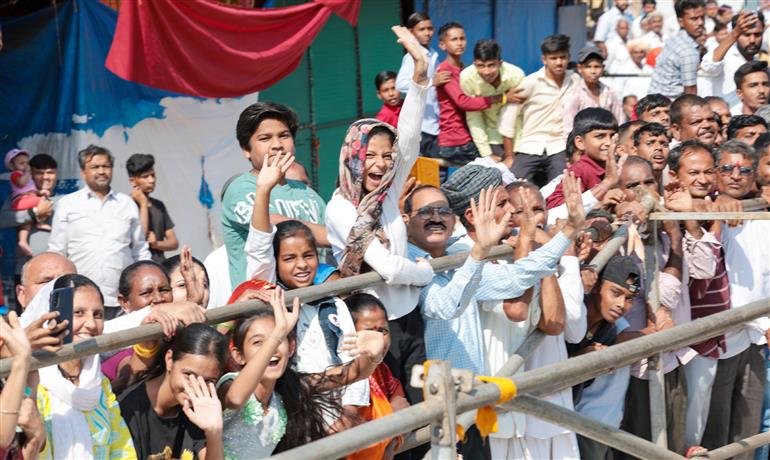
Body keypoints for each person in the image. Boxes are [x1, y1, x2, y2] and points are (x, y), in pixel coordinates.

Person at [244, 150, 373, 414]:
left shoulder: (333, 303)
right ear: (276, 264)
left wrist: (350, 413)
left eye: (308, 255)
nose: (302, 265)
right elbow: (259, 248)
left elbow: (353, 358)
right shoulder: (273, 300)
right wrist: (263, 191)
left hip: (340, 415)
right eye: (289, 258)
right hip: (294, 412)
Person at [325, 25, 434, 320]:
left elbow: (409, 137)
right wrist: (424, 273)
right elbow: (385, 266)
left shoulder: (387, 192)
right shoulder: (340, 207)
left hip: (410, 314)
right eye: (370, 155)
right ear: (353, 158)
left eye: (387, 156)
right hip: (370, 322)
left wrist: (420, 73)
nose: (381, 164)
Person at [217, 286, 385, 458]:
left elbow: (351, 374)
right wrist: (278, 333)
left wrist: (374, 354)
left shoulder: (288, 387)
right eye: (258, 342)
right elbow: (235, 399)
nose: (272, 348)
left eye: (280, 340)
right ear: (238, 356)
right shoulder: (230, 383)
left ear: (291, 348)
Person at [702, 140, 770, 459]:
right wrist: (721, 202)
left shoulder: (761, 213)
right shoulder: (708, 208)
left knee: (748, 429)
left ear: (754, 174)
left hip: (757, 337)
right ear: (715, 172)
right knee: (716, 430)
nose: (735, 176)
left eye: (744, 170)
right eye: (727, 168)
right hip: (721, 338)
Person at [222, 102, 329, 289]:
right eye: (265, 138)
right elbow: (274, 223)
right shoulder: (240, 189)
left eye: (284, 136)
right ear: (246, 149)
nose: (277, 145)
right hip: (263, 306)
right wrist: (346, 237)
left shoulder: (308, 193)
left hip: (312, 304)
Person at [36, 274, 137, 459]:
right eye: (78, 313)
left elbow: (122, 449)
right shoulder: (33, 383)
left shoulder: (100, 385)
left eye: (98, 314)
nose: (91, 324)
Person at [48, 145, 150, 307]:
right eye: (95, 167)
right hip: (80, 299)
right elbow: (57, 252)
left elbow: (140, 251)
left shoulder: (126, 203)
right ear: (83, 172)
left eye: (106, 166)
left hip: (121, 299)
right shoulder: (67, 204)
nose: (102, 171)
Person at [118, 323, 227, 460]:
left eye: (208, 381)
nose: (195, 387)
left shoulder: (201, 406)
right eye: (188, 375)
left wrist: (214, 432)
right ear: (170, 360)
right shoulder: (129, 410)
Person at [568, 255, 639, 460]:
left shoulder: (610, 328)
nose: (621, 304)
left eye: (629, 299)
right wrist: (581, 359)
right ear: (598, 285)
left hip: (574, 421)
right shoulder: (572, 311)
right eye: (615, 293)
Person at [499, 34, 579, 185]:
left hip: (559, 147)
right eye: (553, 58)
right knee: (513, 185)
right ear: (544, 60)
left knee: (562, 185)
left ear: (568, 57)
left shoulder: (575, 80)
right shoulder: (530, 82)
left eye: (563, 57)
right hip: (530, 145)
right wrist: (509, 156)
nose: (559, 62)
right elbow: (508, 119)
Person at [437, 24, 515, 167]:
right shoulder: (445, 70)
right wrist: (501, 98)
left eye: (462, 38)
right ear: (442, 45)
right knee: (491, 168)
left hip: (464, 135)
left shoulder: (463, 68)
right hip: (457, 138)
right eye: (454, 39)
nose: (459, 43)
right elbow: (463, 102)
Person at [344, 293, 409, 460]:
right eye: (369, 332)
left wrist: (391, 440)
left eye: (383, 330)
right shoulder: (340, 374)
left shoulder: (382, 369)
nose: (379, 339)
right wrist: (389, 433)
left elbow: (403, 407)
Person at [458, 38, 525, 161]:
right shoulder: (467, 78)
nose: (486, 72)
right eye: (481, 66)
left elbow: (517, 114)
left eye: (491, 65)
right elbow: (474, 118)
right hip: (490, 137)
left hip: (517, 137)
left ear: (500, 63)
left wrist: (515, 150)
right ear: (474, 64)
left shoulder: (515, 75)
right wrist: (486, 154)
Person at [546, 108, 621, 209]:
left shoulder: (618, 165)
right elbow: (553, 206)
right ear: (580, 143)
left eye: (612, 136)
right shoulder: (581, 170)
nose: (608, 142)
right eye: (600, 136)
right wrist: (601, 197)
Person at [395, 12, 442, 157]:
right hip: (422, 126)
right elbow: (401, 84)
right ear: (411, 32)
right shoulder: (412, 57)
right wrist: (431, 81)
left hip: (435, 124)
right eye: (422, 29)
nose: (427, 33)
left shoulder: (432, 54)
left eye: (430, 29)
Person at [700, 11, 763, 108]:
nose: (752, 40)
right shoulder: (724, 55)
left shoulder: (757, 61)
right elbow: (708, 66)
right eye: (746, 35)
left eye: (757, 35)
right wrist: (734, 33)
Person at [126, 153, 178, 262]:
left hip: (160, 265)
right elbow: (141, 237)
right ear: (132, 180)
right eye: (145, 176)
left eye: (153, 175)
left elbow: (174, 242)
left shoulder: (158, 205)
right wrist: (143, 205)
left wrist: (156, 244)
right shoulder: (125, 204)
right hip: (137, 265)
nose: (151, 180)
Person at [648, 0, 706, 97]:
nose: (700, 22)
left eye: (702, 17)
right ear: (681, 22)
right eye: (694, 19)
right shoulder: (688, 51)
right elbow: (690, 94)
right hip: (667, 105)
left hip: (654, 99)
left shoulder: (674, 39)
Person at [562, 46, 624, 134]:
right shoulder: (574, 94)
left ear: (603, 68)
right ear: (579, 68)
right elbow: (569, 128)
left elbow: (620, 122)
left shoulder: (610, 92)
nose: (593, 71)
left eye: (597, 66)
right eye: (588, 67)